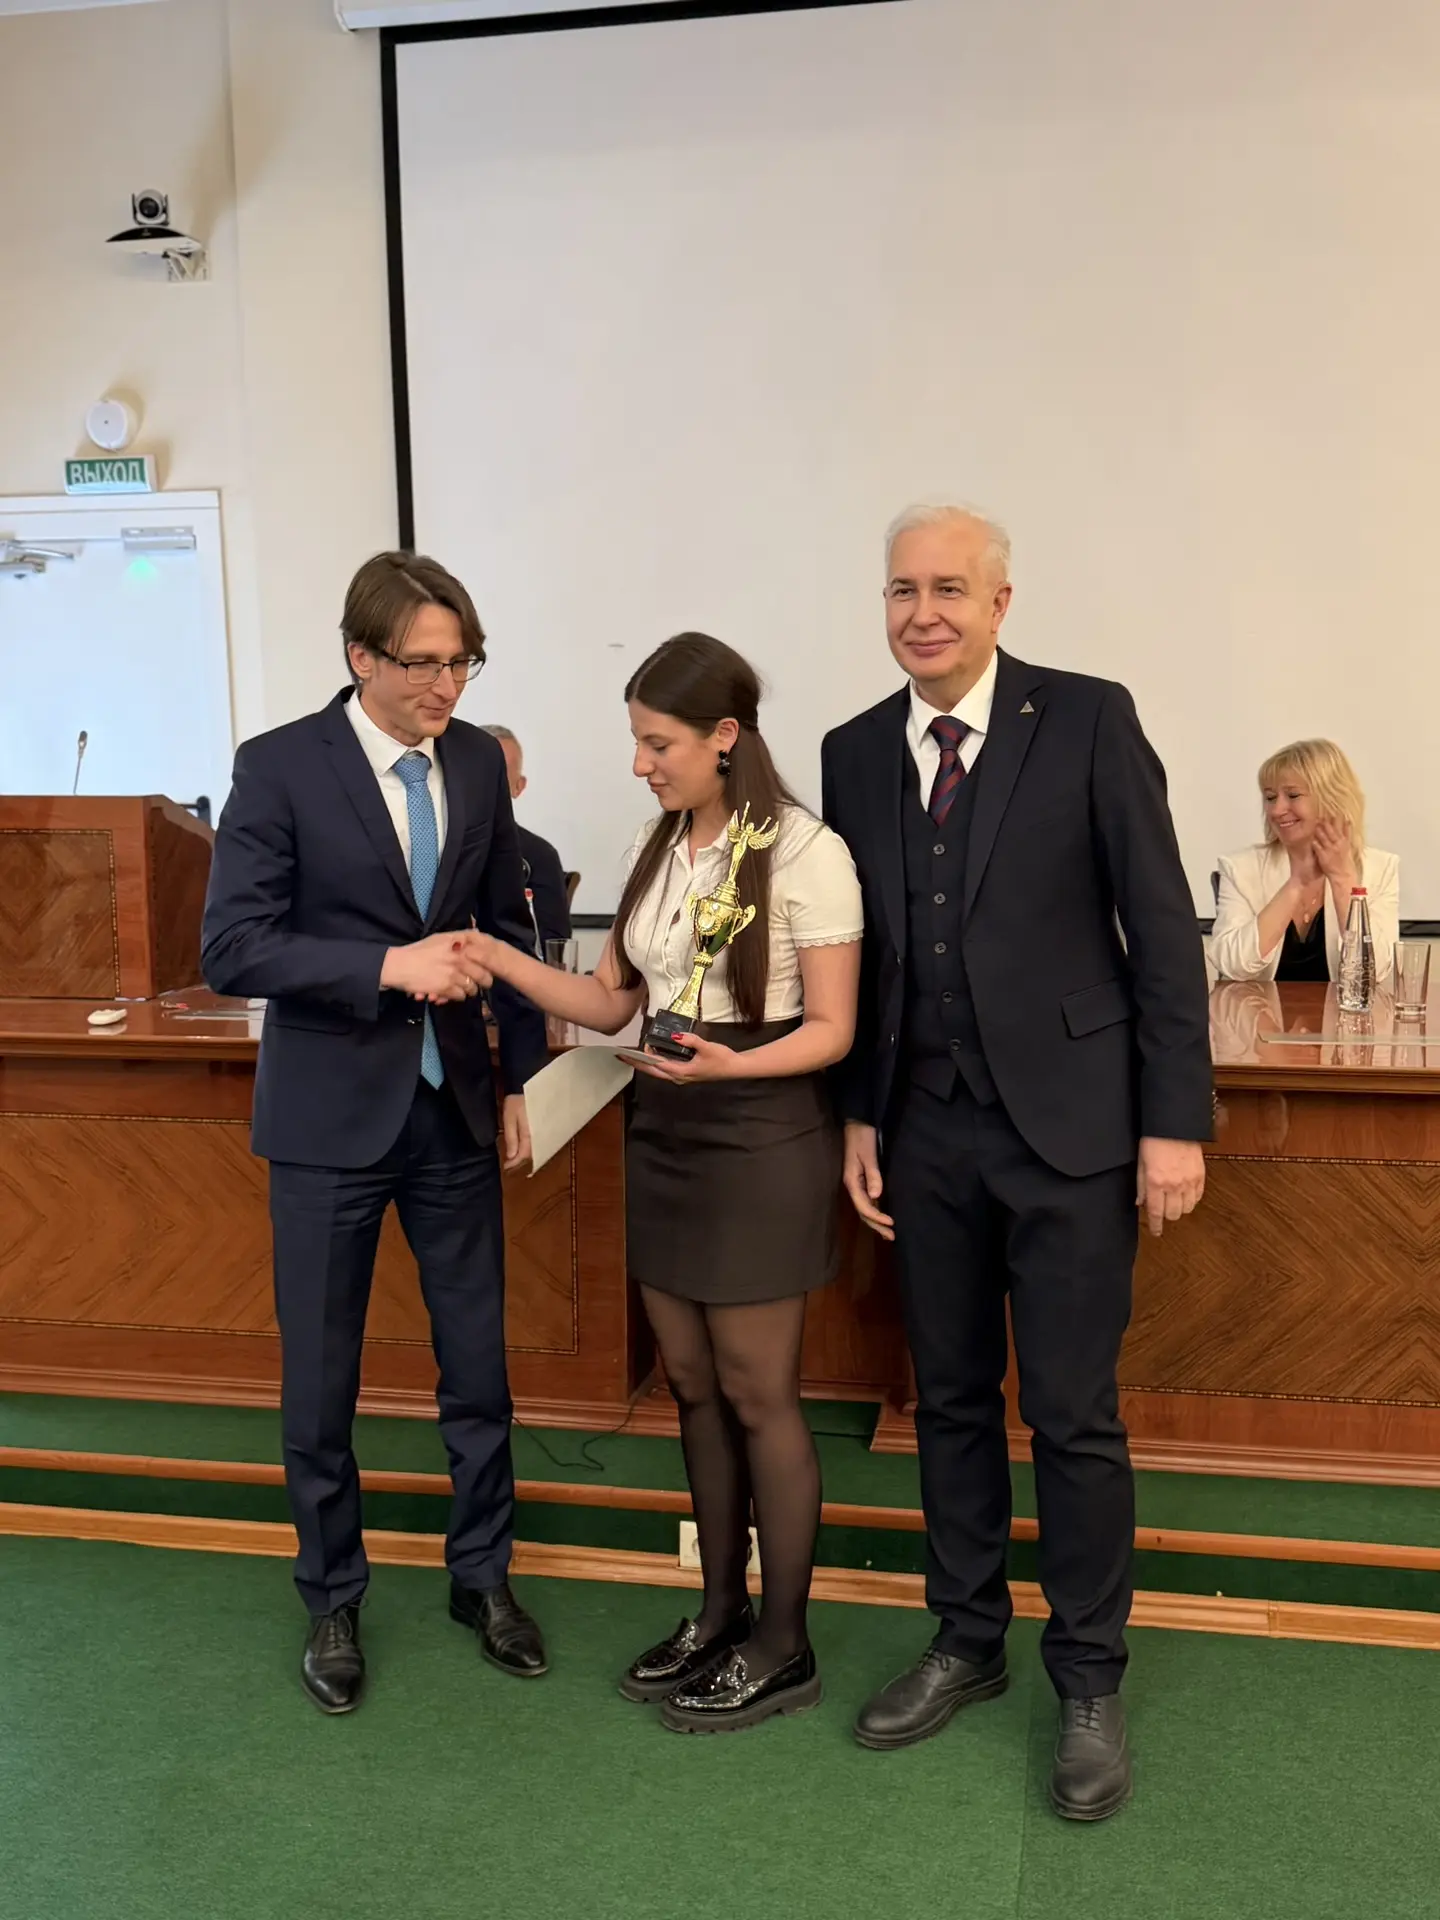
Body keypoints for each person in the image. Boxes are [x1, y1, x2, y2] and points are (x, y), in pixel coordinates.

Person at [821, 504, 1212, 1821]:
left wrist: (1173, 1122)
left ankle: (1089, 1677)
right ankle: (967, 1638)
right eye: (902, 590)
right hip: (922, 1130)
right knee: (946, 1399)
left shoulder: (1088, 718)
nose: (922, 612)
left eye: (949, 589)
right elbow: (869, 957)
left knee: (1073, 1413)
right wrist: (861, 1116)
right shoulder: (854, 750)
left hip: (1075, 1132)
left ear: (999, 605)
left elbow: (1160, 928)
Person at [463, 633, 862, 1732]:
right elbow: (611, 1004)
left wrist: (735, 1066)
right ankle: (720, 1612)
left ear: (724, 736)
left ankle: (784, 1644)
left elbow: (833, 1028)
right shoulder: (654, 845)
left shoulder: (806, 850)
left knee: (758, 1392)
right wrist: (494, 956)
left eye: (659, 744)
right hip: (668, 1128)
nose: (641, 764)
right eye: (637, 742)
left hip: (760, 1130)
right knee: (689, 1382)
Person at [200, 551, 550, 1715]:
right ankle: (333, 1598)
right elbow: (232, 948)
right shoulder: (279, 766)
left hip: (454, 1112)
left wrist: (518, 1078)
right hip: (326, 1121)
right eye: (423, 664)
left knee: (478, 1369)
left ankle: (482, 1578)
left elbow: (504, 931)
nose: (447, 685)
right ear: (361, 657)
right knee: (322, 1381)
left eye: (463, 662)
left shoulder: (477, 764)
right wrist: (387, 967)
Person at [1210, 739, 1399, 986]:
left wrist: (1343, 879)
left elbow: (1375, 971)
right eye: (1270, 797)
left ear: (1331, 798)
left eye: (1292, 795)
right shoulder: (1240, 868)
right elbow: (1232, 965)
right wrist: (1297, 883)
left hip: (1342, 1012)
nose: (1276, 810)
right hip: (1261, 1011)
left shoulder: (1380, 869)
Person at [480, 724, 574, 955]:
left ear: (518, 787)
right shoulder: (428, 845)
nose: (484, 784)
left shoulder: (539, 856)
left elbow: (552, 949)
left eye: (500, 774)